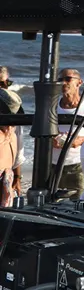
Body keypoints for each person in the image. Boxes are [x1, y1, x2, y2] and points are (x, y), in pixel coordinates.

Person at [52, 68, 84, 199]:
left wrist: (81, 140)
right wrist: (51, 139)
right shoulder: (53, 105)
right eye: (60, 80)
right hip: (53, 164)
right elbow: (41, 130)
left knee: (78, 202)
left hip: (77, 165)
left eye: (68, 79)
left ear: (79, 82)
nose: (63, 83)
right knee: (51, 202)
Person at [0, 67, 25, 196]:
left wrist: (17, 177)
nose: (3, 87)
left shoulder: (13, 108)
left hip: (6, 175)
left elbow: (19, 150)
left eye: (7, 83)